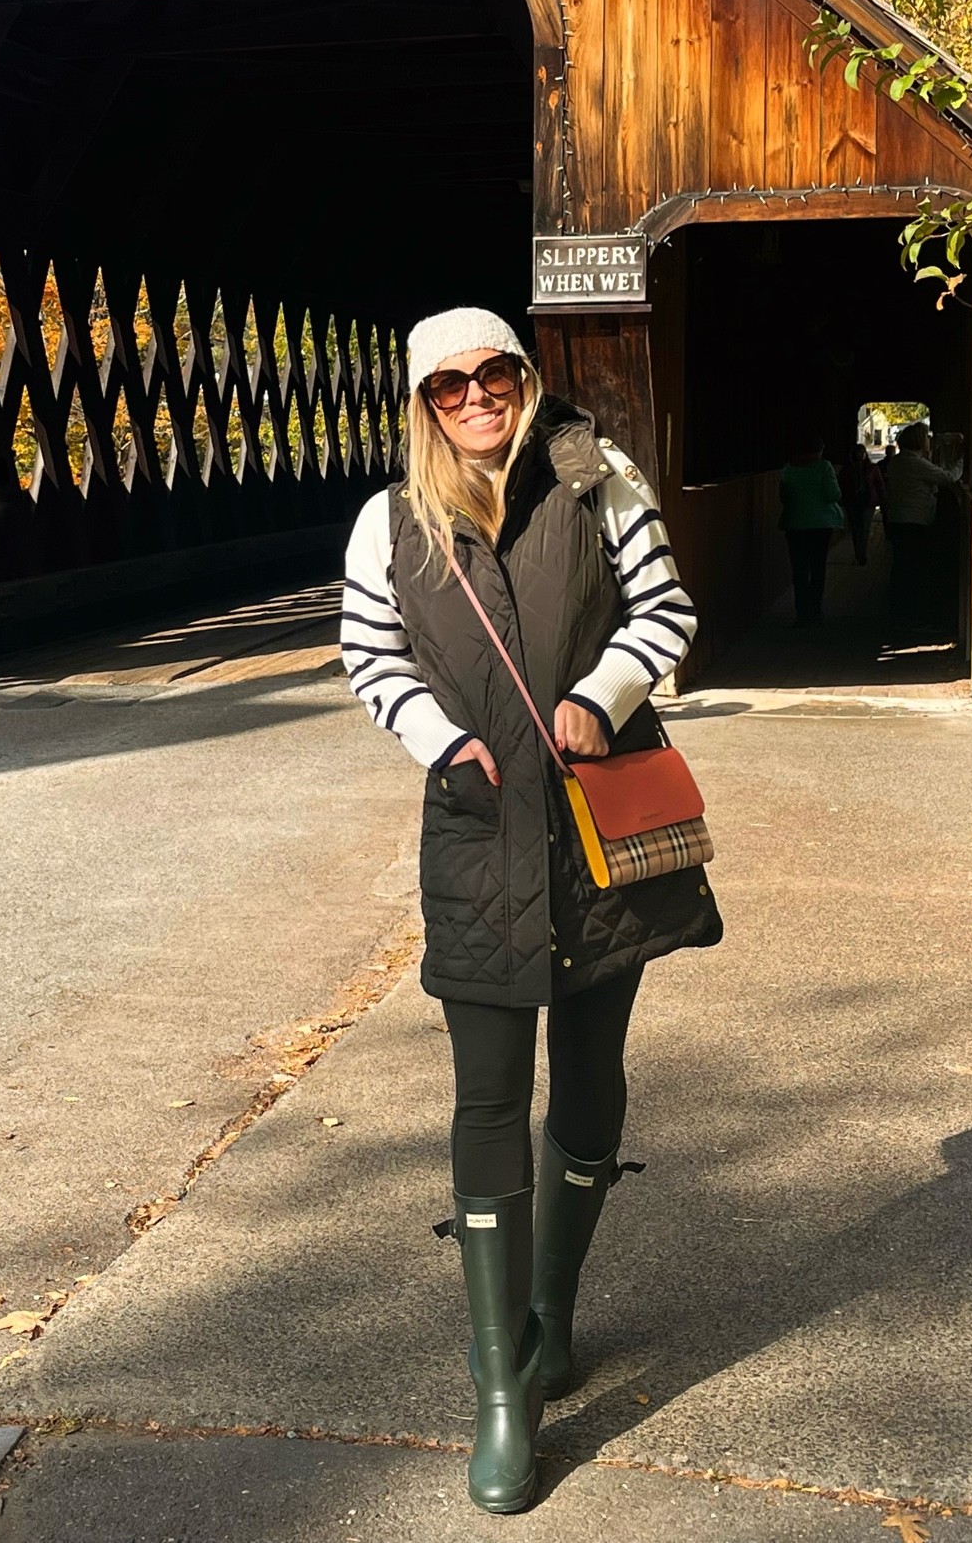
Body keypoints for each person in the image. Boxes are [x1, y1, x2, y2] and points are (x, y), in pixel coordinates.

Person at [340, 308, 721, 1516]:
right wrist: (438, 739)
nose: (475, 398)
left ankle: (555, 1317)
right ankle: (502, 1387)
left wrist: (604, 695)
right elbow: (368, 650)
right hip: (479, 833)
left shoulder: (596, 478)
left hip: (600, 828)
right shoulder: (389, 519)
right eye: (447, 385)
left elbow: (668, 611)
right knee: (489, 1091)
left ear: (525, 373)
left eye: (493, 372)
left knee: (594, 1070)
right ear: (422, 402)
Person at [885, 423, 961, 629]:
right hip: (915, 521)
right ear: (919, 441)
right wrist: (961, 462)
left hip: (897, 519)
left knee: (900, 567)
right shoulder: (915, 463)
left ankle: (898, 613)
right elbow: (947, 478)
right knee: (915, 569)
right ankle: (912, 615)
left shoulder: (897, 462)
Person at [777, 436, 844, 626]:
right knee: (817, 568)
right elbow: (833, 494)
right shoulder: (824, 467)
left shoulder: (788, 470)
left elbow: (784, 498)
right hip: (821, 524)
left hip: (794, 523)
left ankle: (802, 612)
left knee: (799, 570)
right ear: (819, 450)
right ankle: (815, 611)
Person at [839, 441, 884, 566]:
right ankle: (859, 553)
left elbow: (879, 485)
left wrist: (882, 499)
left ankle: (861, 554)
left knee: (863, 528)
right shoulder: (847, 469)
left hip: (867, 502)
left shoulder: (871, 468)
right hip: (853, 502)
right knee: (855, 529)